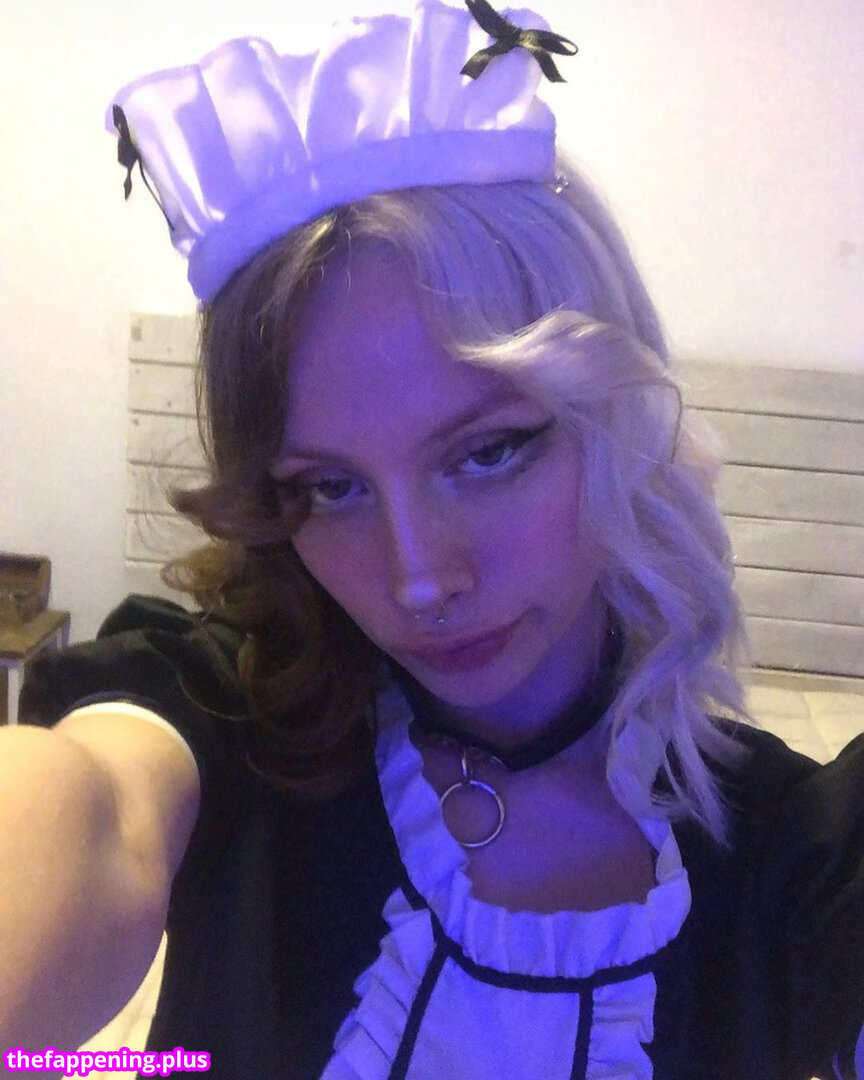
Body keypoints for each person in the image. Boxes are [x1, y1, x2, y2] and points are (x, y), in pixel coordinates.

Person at [2, 1, 863, 1077]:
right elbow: (89, 812)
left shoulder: (787, 857)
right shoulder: (231, 720)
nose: (417, 579)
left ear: (617, 418)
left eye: (489, 453)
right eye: (329, 488)